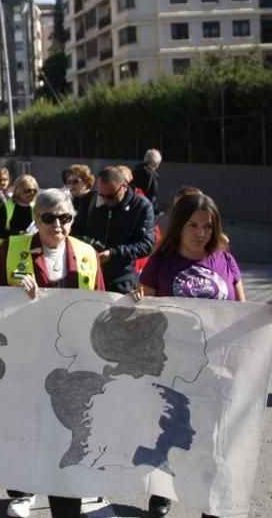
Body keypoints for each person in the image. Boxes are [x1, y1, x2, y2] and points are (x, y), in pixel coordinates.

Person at [0, 188, 105, 518]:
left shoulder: (87, 254)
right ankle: (22, 491)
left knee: (66, 433)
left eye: (65, 218)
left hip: (72, 363)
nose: (57, 224)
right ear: (36, 219)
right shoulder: (11, 249)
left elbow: (99, 302)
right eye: (49, 217)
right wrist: (9, 294)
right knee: (27, 431)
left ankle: (65, 503)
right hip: (24, 357)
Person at [132, 192, 234, 518]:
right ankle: (161, 493)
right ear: (180, 226)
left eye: (207, 226)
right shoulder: (161, 264)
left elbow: (241, 311)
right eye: (193, 225)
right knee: (171, 435)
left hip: (217, 366)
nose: (200, 233)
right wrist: (136, 301)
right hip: (173, 369)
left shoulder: (225, 261)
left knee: (213, 442)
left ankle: (210, 502)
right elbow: (144, 315)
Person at [72, 166, 155, 293]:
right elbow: (74, 233)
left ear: (125, 187)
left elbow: (146, 244)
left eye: (111, 196)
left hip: (122, 279)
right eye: (101, 195)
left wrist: (114, 253)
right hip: (87, 274)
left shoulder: (141, 206)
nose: (105, 200)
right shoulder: (89, 200)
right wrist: (90, 245)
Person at [0, 175, 39, 244]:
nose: (31, 193)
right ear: (18, 190)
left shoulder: (35, 207)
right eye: (27, 191)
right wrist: (19, 234)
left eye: (34, 190)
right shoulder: (6, 207)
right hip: (7, 248)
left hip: (27, 248)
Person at [133, 148, 163, 217]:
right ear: (156, 162)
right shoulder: (151, 175)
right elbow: (152, 194)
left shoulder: (136, 170)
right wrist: (155, 210)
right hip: (146, 208)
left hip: (135, 205)